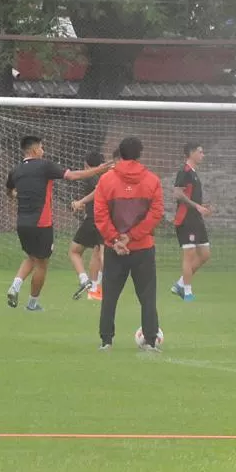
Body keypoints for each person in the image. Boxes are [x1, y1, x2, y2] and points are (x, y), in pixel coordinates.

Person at [5, 136, 111, 311]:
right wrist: (98, 169)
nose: (43, 151)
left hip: (22, 223)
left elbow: (9, 191)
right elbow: (74, 175)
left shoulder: (15, 171)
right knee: (42, 263)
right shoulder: (45, 166)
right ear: (33, 151)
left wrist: (18, 196)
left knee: (31, 257)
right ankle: (32, 304)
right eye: (41, 148)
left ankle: (15, 286)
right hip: (42, 224)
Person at [94, 137, 164, 351]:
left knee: (110, 296)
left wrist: (116, 239)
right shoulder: (152, 180)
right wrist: (132, 236)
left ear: (120, 154)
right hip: (142, 248)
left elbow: (100, 214)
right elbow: (156, 213)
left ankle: (106, 341)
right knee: (147, 295)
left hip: (115, 249)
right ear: (140, 154)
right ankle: (150, 341)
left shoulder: (106, 180)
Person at [171, 142, 212, 301]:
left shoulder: (194, 173)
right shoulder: (184, 171)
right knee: (189, 255)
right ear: (192, 153)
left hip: (196, 219)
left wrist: (202, 207)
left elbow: (190, 195)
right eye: (200, 152)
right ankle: (187, 292)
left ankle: (180, 284)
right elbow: (177, 193)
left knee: (205, 254)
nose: (203, 155)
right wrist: (196, 206)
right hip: (185, 219)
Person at [68, 151, 110, 301]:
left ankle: (85, 280)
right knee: (98, 253)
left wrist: (81, 202)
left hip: (94, 219)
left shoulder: (92, 177)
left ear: (86, 165)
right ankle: (95, 289)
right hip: (107, 220)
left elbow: (97, 191)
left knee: (74, 251)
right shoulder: (108, 176)